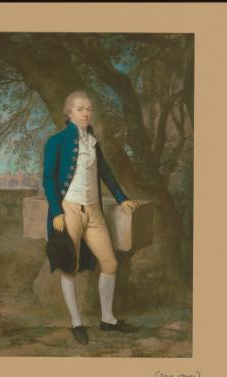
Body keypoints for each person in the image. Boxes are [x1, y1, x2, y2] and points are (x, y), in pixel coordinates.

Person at [43, 91, 139, 345]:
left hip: (94, 210)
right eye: (80, 109)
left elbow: (105, 171)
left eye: (88, 108)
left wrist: (121, 198)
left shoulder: (92, 140)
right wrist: (56, 211)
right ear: (69, 113)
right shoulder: (56, 141)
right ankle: (76, 322)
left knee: (110, 264)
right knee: (68, 266)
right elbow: (48, 179)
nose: (86, 113)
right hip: (69, 209)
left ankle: (107, 319)